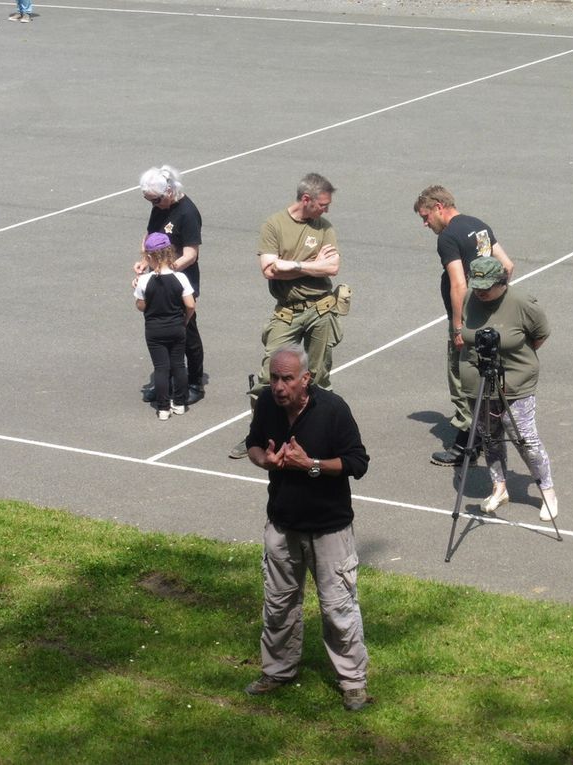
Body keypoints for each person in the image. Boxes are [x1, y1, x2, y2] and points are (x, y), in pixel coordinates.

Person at [243, 345, 372, 711]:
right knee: (279, 604)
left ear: (306, 379)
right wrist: (264, 461)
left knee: (338, 608)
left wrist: (311, 464)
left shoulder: (333, 410)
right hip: (282, 525)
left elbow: (357, 463)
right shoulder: (268, 403)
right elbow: (253, 444)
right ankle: (278, 671)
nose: (279, 387)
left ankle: (352, 682)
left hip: (329, 529)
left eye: (287, 379)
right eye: (274, 378)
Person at [229, 173, 345, 460]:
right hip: (287, 312)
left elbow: (332, 268)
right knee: (270, 374)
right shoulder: (274, 225)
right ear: (306, 200)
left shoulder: (324, 227)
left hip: (321, 309)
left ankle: (318, 433)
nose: (326, 210)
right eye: (322, 204)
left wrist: (290, 265)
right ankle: (258, 434)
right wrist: (311, 264)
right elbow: (269, 269)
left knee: (318, 377)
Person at [414, 185, 515, 466]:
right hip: (490, 316)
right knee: (489, 372)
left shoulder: (448, 237)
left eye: (425, 216)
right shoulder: (478, 225)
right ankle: (482, 433)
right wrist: (494, 303)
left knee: (462, 379)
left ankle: (464, 446)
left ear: (438, 207)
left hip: (468, 319)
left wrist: (458, 327)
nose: (425, 224)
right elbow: (507, 265)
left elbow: (458, 283)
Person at [459, 257, 557, 521]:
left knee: (524, 438)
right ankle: (499, 487)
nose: (480, 291)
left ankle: (547, 491)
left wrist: (511, 359)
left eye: (487, 286)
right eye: (476, 284)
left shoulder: (522, 303)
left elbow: (540, 335)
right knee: (489, 437)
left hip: (515, 381)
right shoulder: (470, 298)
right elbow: (465, 333)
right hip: (477, 381)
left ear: (503, 283)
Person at [136, 165, 205, 407]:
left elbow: (191, 254)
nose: (153, 206)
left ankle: (194, 381)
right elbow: (150, 237)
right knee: (160, 327)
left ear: (168, 193)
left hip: (181, 280)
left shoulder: (187, 212)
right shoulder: (158, 209)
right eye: (150, 202)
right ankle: (165, 379)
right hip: (161, 278)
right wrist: (145, 261)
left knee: (186, 331)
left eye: (155, 200)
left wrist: (166, 271)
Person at [133, 233, 195, 420]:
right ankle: (180, 403)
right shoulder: (181, 278)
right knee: (178, 365)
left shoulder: (144, 281)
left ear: (150, 257)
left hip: (154, 330)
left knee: (161, 368)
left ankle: (163, 408)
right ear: (170, 253)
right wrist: (185, 320)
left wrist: (137, 293)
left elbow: (140, 305)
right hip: (176, 327)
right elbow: (190, 304)